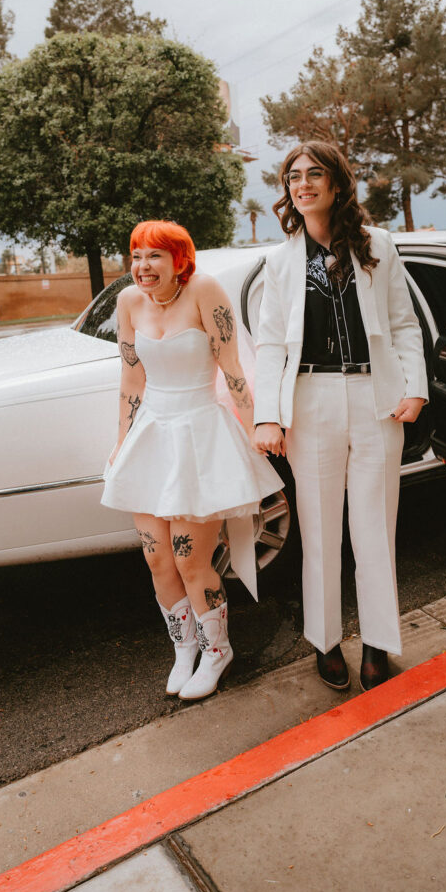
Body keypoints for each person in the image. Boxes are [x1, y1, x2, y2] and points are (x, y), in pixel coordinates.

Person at [252, 141, 427, 692]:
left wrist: (415, 388)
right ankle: (325, 642)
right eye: (293, 177)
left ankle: (377, 644)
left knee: (375, 527)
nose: (302, 184)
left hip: (377, 399)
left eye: (314, 174)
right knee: (321, 527)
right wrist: (268, 416)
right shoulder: (280, 260)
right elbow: (271, 345)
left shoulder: (378, 245)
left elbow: (404, 324)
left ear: (336, 183)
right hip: (310, 399)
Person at [101, 220, 283, 701]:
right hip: (151, 437)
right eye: (136, 256)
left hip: (199, 435)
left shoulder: (204, 290)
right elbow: (131, 380)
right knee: (156, 557)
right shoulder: (128, 302)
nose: (142, 267)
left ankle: (216, 650)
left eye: (154, 256)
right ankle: (184, 650)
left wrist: (255, 428)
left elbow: (233, 370)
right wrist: (122, 442)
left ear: (179, 260)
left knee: (190, 558)